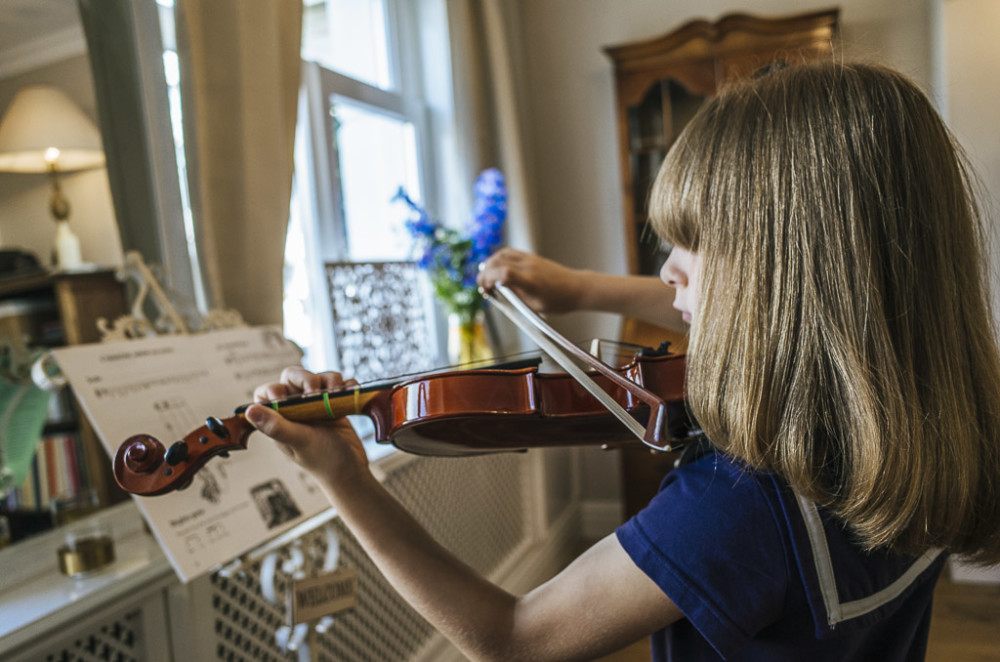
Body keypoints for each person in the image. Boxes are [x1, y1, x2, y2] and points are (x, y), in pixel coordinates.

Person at [246, 61, 1000, 661]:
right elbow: (756, 308)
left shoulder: (739, 506)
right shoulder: (936, 422)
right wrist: (580, 289)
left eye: (698, 244)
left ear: (789, 274)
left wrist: (345, 477)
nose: (669, 272)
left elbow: (515, 639)